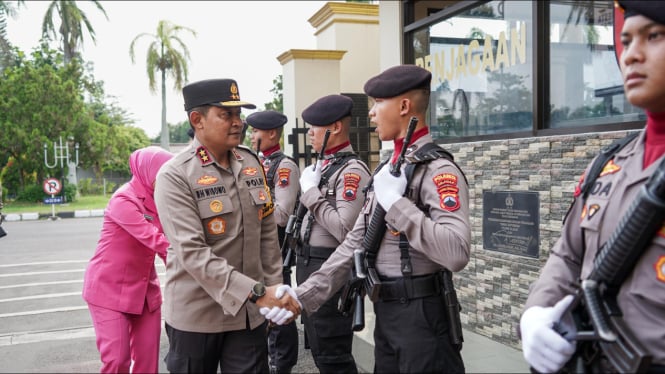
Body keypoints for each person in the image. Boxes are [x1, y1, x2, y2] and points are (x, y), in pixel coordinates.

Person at [270, 65, 471, 373]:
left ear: (404, 107)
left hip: (423, 318)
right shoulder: (389, 170)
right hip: (388, 314)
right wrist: (301, 295)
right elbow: (355, 243)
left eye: (378, 103)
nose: (373, 114)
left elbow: (456, 252)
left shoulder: (438, 170)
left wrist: (397, 204)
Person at [519, 2, 665, 373]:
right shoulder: (609, 164)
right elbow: (568, 255)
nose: (631, 55)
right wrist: (536, 312)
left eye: (654, 36)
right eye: (626, 40)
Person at [154, 78, 301, 374]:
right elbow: (193, 252)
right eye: (226, 115)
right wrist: (260, 292)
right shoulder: (175, 175)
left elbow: (267, 235)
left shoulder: (249, 162)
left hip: (247, 316)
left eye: (239, 115)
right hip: (197, 316)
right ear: (197, 120)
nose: (238, 123)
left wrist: (275, 289)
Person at [288, 94, 367, 373]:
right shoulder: (325, 167)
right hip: (310, 266)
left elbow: (346, 230)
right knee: (322, 353)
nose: (309, 132)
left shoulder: (351, 170)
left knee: (333, 357)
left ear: (334, 128)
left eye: (315, 127)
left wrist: (311, 193)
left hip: (330, 270)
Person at [82, 146, 174, 373]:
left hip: (145, 292)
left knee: (148, 362)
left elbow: (167, 248)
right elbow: (154, 239)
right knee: (117, 361)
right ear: (146, 171)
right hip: (109, 290)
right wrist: (192, 256)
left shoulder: (161, 200)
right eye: (161, 173)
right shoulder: (123, 199)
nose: (165, 179)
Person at [247, 110, 301, 374]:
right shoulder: (252, 164)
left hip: (275, 252)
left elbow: (281, 215)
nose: (251, 136)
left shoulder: (285, 166)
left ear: (271, 133)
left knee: (279, 309)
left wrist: (252, 201)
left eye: (256, 131)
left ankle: (282, 364)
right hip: (252, 252)